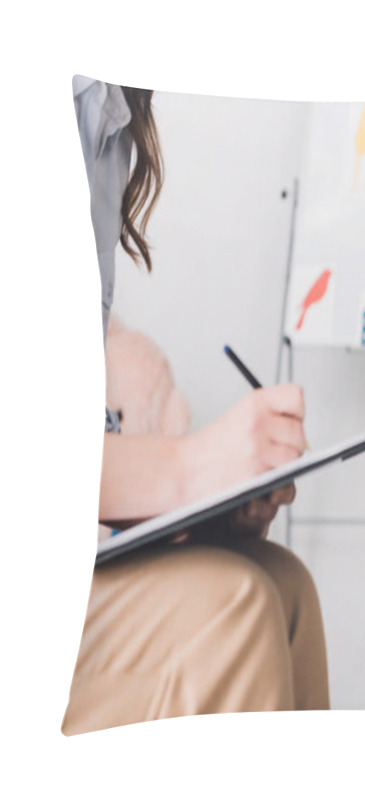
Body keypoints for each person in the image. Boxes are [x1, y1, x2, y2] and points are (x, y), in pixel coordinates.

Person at [62, 77, 329, 735]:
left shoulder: (109, 120)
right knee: (229, 608)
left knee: (283, 584)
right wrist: (185, 469)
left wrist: (195, 502)